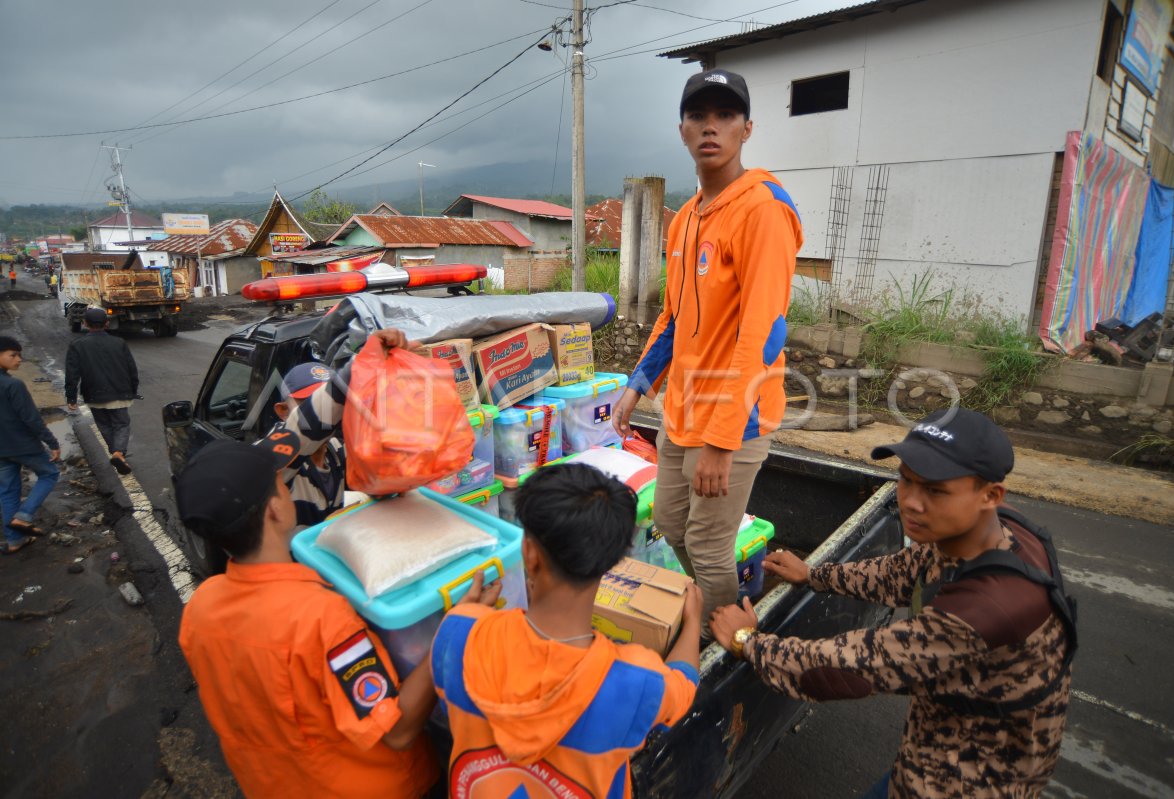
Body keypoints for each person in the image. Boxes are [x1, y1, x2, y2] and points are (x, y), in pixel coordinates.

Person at [710, 409, 1078, 798]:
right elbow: (905, 571)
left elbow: (845, 668)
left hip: (965, 783)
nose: (912, 502)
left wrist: (746, 641)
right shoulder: (985, 527)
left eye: (935, 490)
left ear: (990, 495)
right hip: (934, 747)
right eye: (906, 480)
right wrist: (815, 575)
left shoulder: (985, 610)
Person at [176, 429, 496, 798]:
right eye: (280, 483)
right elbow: (398, 731)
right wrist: (455, 626)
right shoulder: (321, 619)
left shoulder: (201, 605)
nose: (285, 488)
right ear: (275, 509)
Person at [612, 68, 804, 633]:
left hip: (735, 417)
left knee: (709, 542)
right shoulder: (687, 220)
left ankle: (732, 642)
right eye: (699, 116)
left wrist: (723, 440)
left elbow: (762, 333)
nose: (711, 127)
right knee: (671, 521)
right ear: (682, 130)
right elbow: (673, 318)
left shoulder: (762, 209)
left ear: (748, 129)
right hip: (683, 407)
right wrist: (637, 384)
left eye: (725, 116)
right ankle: (719, 607)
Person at [430, 463, 703, 798]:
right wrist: (692, 621)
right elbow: (684, 683)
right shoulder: (638, 680)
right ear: (612, 562)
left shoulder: (459, 632)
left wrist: (469, 615)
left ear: (529, 553)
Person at [0, 335, 60, 554]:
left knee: (7, 491)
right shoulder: (13, 385)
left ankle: (14, 541)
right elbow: (31, 418)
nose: (19, 360)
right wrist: (52, 442)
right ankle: (24, 516)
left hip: (1, 450)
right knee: (50, 474)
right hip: (24, 445)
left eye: (20, 355)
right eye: (13, 355)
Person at [65, 307, 139, 474]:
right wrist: (133, 389)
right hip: (119, 392)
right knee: (121, 424)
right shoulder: (119, 343)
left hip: (93, 394)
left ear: (84, 323)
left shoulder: (77, 345)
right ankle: (119, 453)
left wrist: (71, 397)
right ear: (107, 323)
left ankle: (116, 453)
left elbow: (72, 373)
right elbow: (131, 369)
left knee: (104, 425)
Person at [273, 362, 345, 526]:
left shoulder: (338, 449)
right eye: (309, 403)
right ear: (283, 411)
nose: (329, 413)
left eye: (335, 405)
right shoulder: (274, 455)